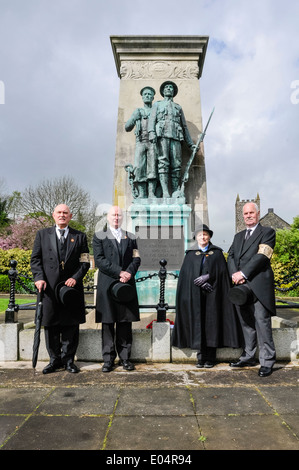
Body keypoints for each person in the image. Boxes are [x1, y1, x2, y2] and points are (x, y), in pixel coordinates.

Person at [30, 204, 90, 374]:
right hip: (49, 288)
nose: (62, 215)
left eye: (65, 213)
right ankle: (54, 360)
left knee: (71, 324)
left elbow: (85, 262)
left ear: (70, 216)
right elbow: (35, 260)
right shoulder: (42, 235)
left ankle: (69, 361)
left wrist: (75, 278)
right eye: (59, 213)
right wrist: (39, 278)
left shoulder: (80, 236)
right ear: (53, 215)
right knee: (50, 325)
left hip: (71, 289)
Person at [172, 224, 242, 368]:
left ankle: (210, 357)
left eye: (205, 235)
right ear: (196, 237)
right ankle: (200, 357)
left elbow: (222, 272)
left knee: (212, 323)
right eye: (199, 235)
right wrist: (199, 282)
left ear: (209, 236)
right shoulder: (190, 254)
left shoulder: (216, 253)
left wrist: (209, 277)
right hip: (196, 294)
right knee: (199, 322)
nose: (202, 237)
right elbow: (187, 275)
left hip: (213, 294)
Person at [227, 202, 276, 377]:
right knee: (246, 323)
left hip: (258, 285)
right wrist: (234, 274)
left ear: (258, 213)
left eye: (251, 213)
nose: (248, 215)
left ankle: (267, 361)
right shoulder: (238, 236)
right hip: (240, 286)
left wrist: (243, 273)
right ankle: (248, 356)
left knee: (262, 323)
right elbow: (231, 255)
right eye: (245, 213)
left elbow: (262, 256)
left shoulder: (267, 232)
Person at [93, 206, 141, 372]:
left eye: (119, 215)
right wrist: (119, 272)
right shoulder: (99, 236)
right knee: (108, 323)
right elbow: (99, 260)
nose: (116, 217)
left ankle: (125, 358)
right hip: (107, 285)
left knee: (124, 322)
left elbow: (136, 258)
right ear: (108, 217)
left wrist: (128, 273)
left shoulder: (131, 237)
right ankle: (108, 360)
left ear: (122, 217)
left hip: (126, 284)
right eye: (113, 215)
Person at [148, 81, 195, 197]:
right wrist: (152, 133)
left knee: (176, 164)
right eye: (166, 87)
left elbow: (184, 126)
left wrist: (190, 143)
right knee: (163, 162)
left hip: (176, 136)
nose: (169, 89)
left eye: (171, 87)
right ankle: (165, 192)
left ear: (173, 92)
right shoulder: (157, 105)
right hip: (162, 135)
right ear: (163, 91)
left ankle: (175, 191)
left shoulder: (178, 107)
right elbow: (152, 121)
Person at [125, 86, 157, 198]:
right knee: (139, 167)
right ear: (142, 97)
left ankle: (152, 193)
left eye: (149, 94)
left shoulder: (156, 111)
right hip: (140, 142)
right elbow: (127, 127)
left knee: (152, 167)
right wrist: (134, 118)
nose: (147, 96)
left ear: (153, 97)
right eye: (145, 94)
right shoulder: (138, 111)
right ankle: (142, 193)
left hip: (153, 143)